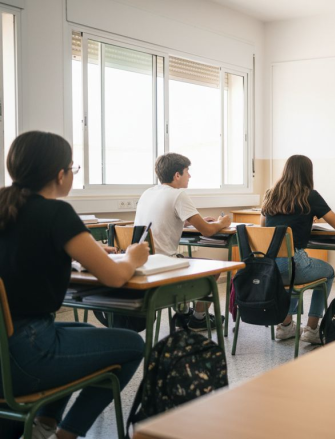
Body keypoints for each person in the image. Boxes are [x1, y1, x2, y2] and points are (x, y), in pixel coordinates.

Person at [0, 131, 149, 439]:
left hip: (7, 345)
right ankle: (66, 435)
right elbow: (114, 277)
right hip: (26, 354)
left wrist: (84, 252)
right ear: (60, 174)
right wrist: (133, 257)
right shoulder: (56, 212)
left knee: (88, 332)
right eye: (73, 168)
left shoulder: (5, 205)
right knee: (133, 346)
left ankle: (44, 427)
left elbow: (21, 257)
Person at [260, 155, 335, 344]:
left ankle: (285, 326)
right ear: (307, 173)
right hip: (292, 265)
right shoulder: (310, 195)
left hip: (268, 268)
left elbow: (264, 229)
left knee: (291, 276)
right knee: (328, 272)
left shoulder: (270, 194)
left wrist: (306, 219)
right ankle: (311, 328)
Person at [134, 152, 231, 331]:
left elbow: (163, 217)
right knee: (213, 269)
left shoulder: (148, 192)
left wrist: (186, 220)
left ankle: (184, 313)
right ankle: (199, 318)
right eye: (187, 171)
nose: (190, 176)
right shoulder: (178, 195)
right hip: (165, 265)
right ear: (177, 175)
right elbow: (207, 231)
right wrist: (221, 223)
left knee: (188, 260)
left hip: (143, 263)